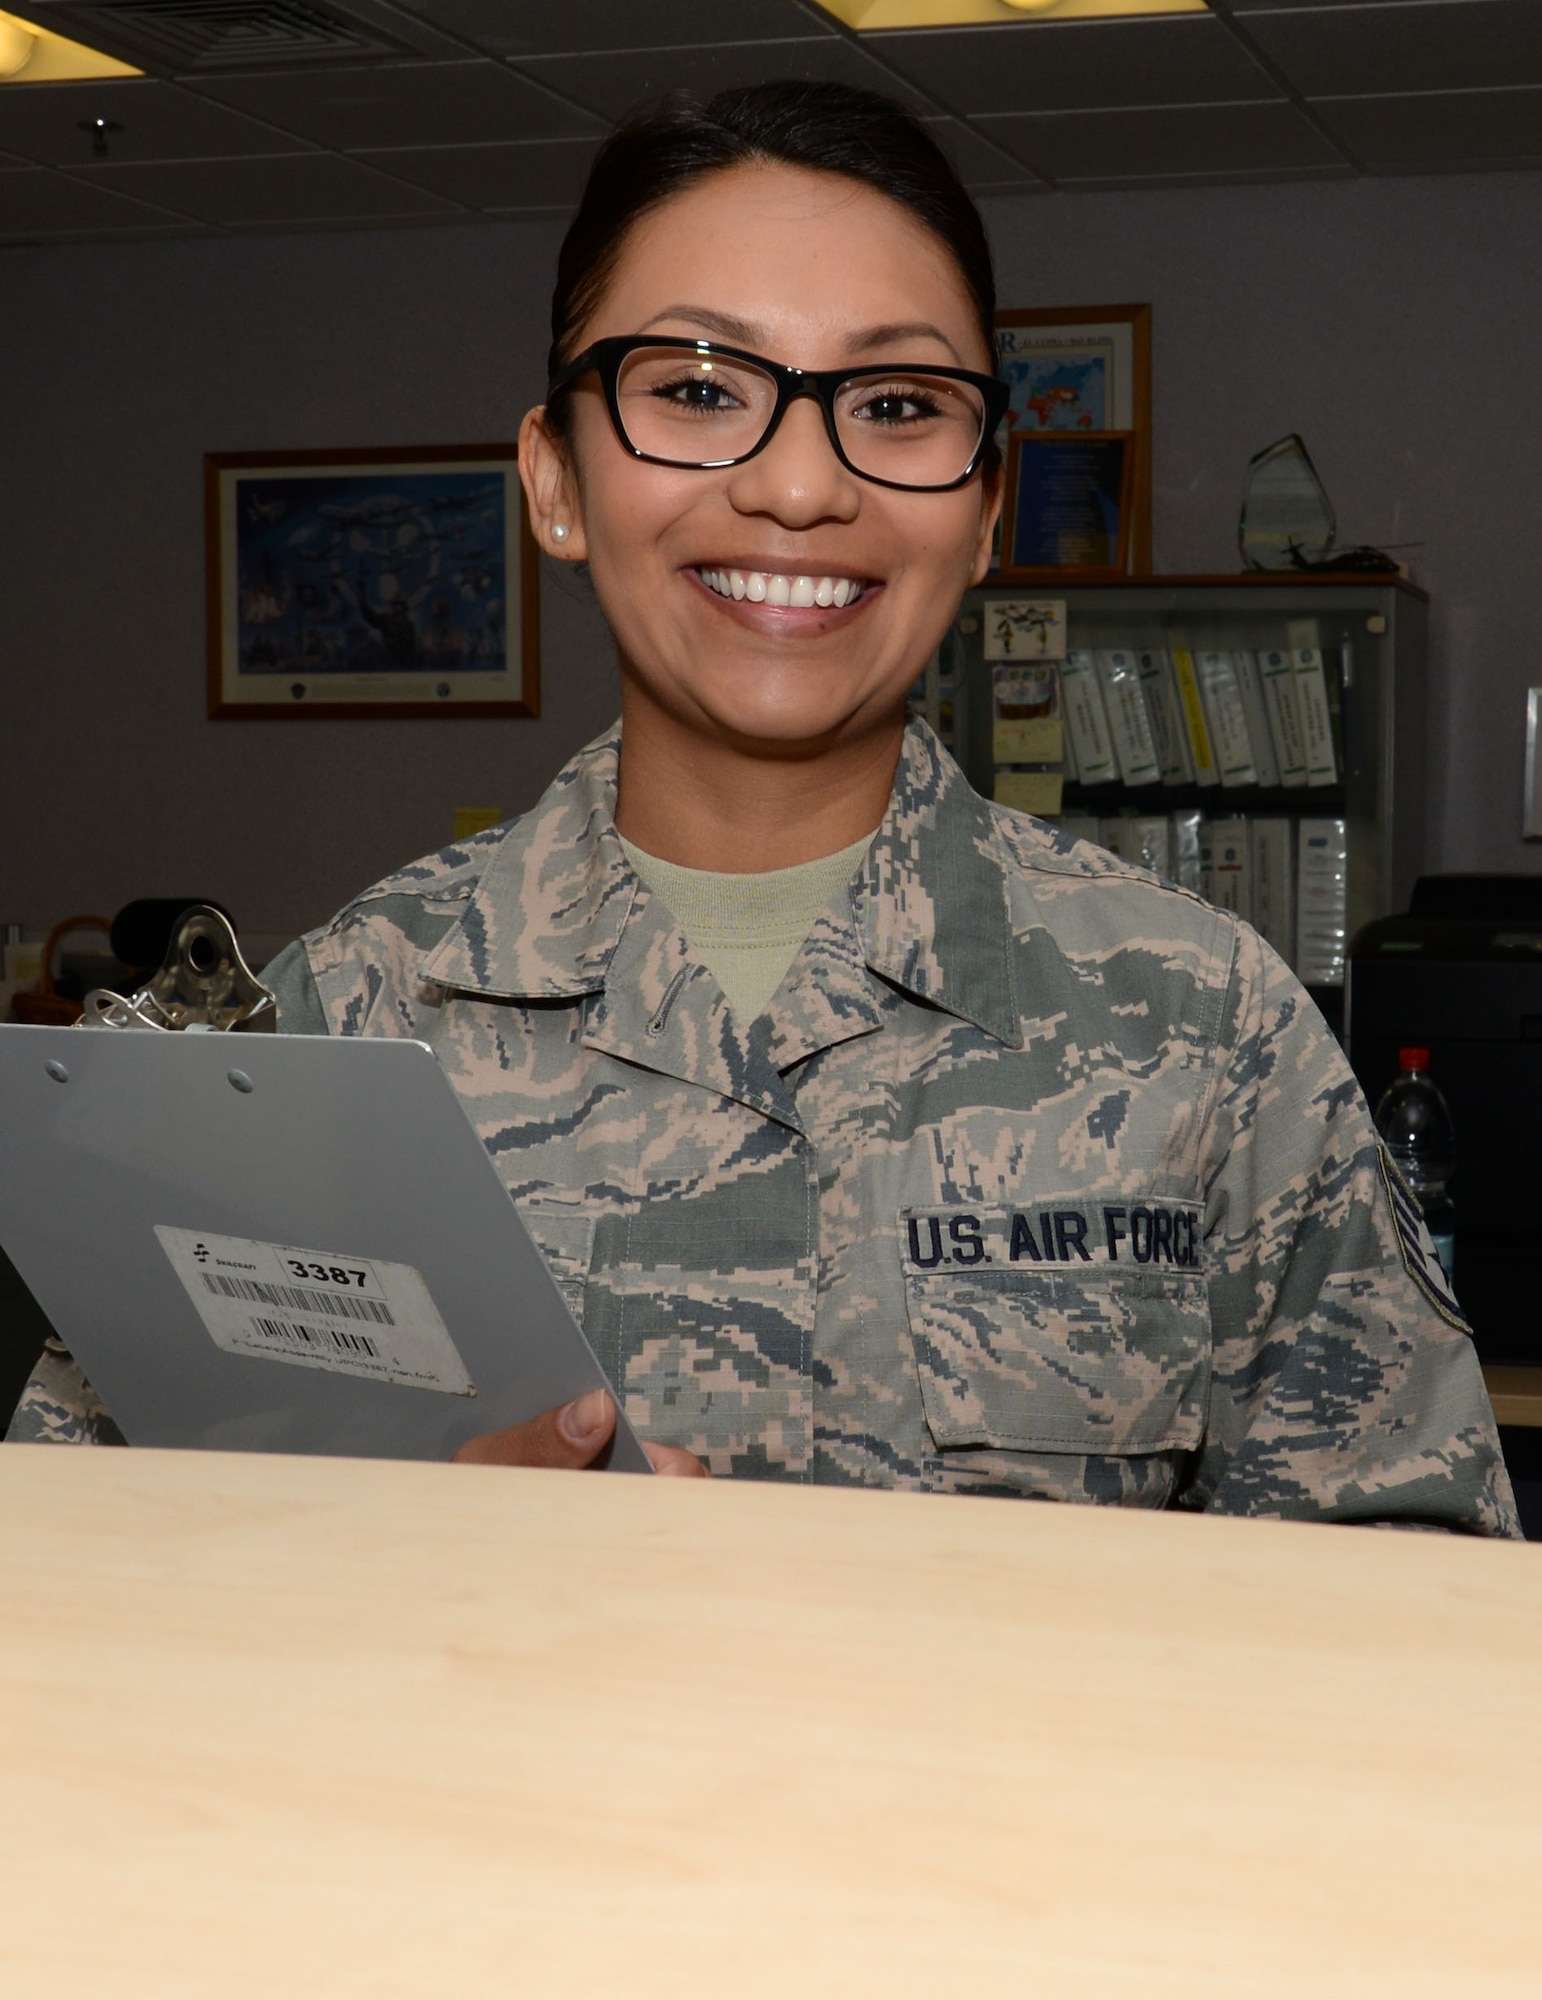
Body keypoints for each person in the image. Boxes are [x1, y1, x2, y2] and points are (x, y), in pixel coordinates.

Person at [10, 82, 1518, 1535]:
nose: (800, 484)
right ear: (555, 482)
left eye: (898, 402)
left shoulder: (1202, 1024)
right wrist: (380, 1555)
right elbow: (78, 1574)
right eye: (695, 389)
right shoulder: (334, 1023)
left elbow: (1415, 1612)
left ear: (987, 508)